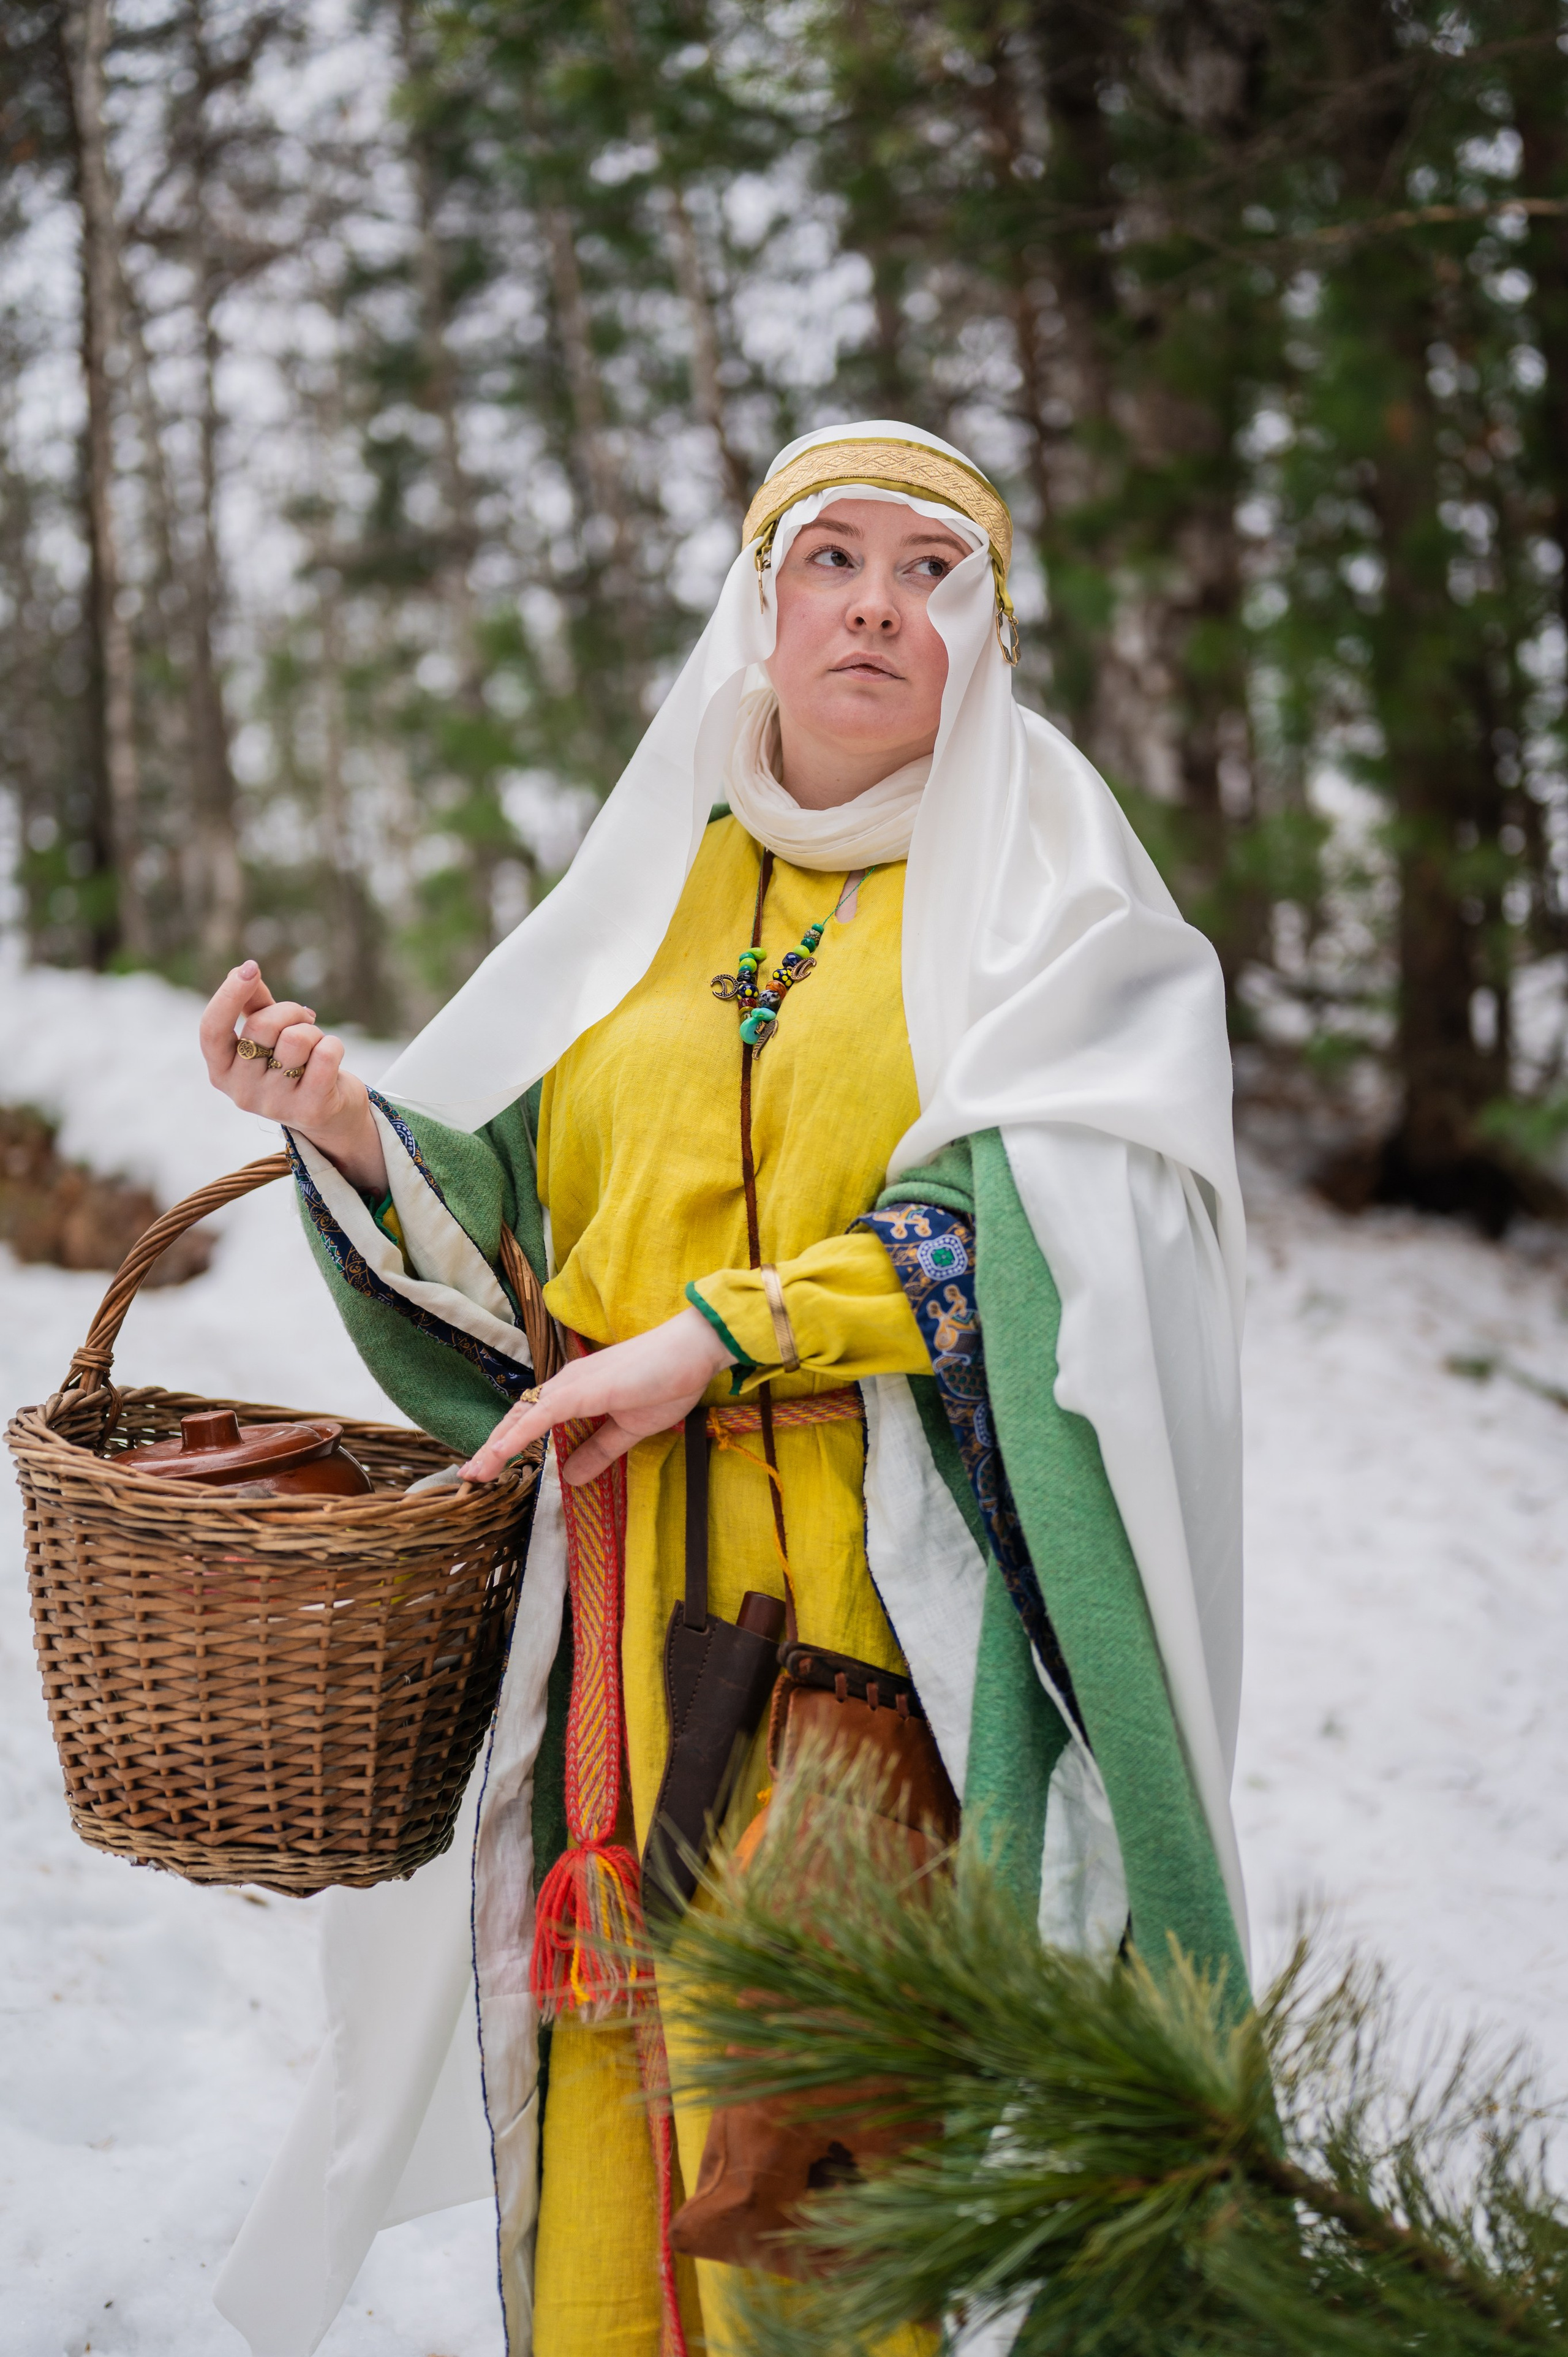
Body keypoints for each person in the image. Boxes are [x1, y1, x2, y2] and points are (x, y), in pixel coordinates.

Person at [200, 422, 1250, 2357]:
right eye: (828, 557)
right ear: (756, 605)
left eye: (926, 569)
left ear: (984, 623)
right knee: (611, 2139)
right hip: (625, 1611)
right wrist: (348, 1128)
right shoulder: (636, 899)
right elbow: (491, 1224)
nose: (872, 601)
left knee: (810, 2198)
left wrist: (735, 1333)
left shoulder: (1051, 898)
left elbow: (1045, 1215)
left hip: (901, 1630)